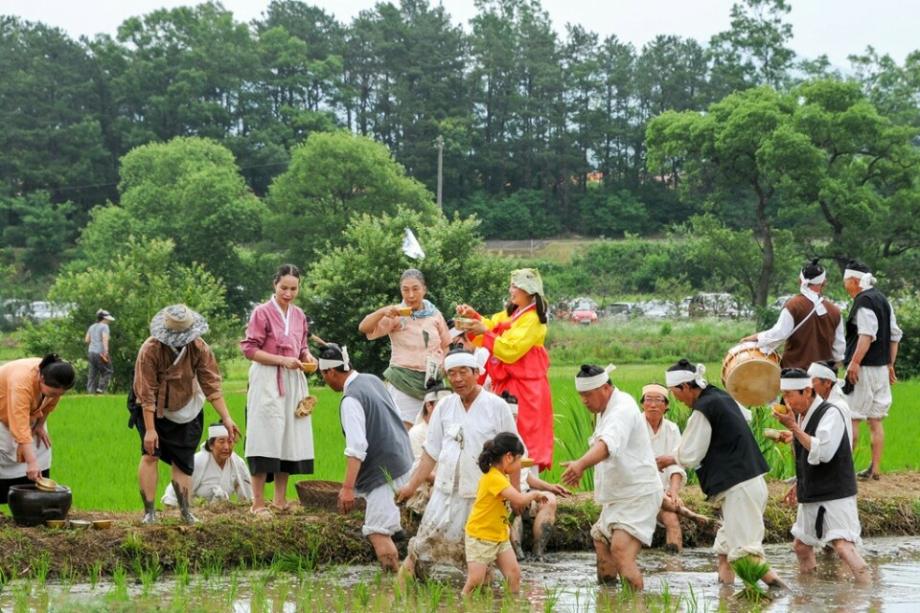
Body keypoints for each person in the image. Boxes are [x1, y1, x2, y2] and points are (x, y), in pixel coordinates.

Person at [658, 359, 785, 590]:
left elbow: (690, 454)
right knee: (725, 549)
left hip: (740, 489)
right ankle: (725, 595)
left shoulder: (704, 409)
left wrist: (667, 459)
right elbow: (743, 417)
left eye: (675, 392)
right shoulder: (720, 397)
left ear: (686, 387)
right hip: (749, 484)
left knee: (746, 554)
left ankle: (786, 595)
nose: (675, 398)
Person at [396, 348, 520, 581]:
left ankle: (487, 602)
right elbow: (429, 454)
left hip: (482, 498)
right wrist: (411, 487)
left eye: (463, 372)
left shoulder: (497, 407)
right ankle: (396, 599)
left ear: (476, 373)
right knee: (419, 551)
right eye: (451, 374)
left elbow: (514, 455)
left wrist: (516, 496)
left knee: (483, 561)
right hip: (445, 495)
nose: (457, 379)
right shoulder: (444, 407)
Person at [132, 304, 241, 525]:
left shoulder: (199, 347)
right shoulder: (150, 350)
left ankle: (185, 511)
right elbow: (147, 393)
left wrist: (227, 417)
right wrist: (151, 430)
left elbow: (211, 385)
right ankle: (149, 512)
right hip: (152, 409)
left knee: (184, 461)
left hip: (188, 405)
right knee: (150, 454)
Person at [560, 365, 663, 590]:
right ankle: (608, 599)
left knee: (620, 551)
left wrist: (581, 464)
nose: (584, 401)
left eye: (588, 395)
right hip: (619, 495)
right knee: (601, 540)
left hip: (638, 493)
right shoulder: (604, 410)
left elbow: (607, 445)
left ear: (605, 388)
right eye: (581, 396)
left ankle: (636, 605)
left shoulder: (622, 408)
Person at [319, 343, 415, 572]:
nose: (325, 381)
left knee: (376, 531)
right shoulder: (372, 380)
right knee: (385, 523)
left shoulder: (351, 399)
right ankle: (401, 545)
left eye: (324, 376)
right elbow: (398, 418)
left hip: (384, 474)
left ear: (331, 372)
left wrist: (348, 488)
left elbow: (357, 447)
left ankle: (394, 587)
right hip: (404, 462)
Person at [771, 369, 868, 582]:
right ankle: (810, 593)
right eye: (783, 395)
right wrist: (799, 482)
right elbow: (805, 451)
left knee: (843, 547)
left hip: (835, 492)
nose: (785, 400)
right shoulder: (801, 416)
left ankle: (867, 590)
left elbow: (822, 452)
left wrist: (793, 427)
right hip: (813, 490)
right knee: (801, 547)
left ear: (807, 391)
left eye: (789, 395)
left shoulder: (830, 412)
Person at [240, 264, 317, 516]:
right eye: (284, 287)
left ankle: (280, 500)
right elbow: (250, 349)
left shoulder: (299, 315)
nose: (288, 293)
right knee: (265, 434)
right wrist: (282, 360)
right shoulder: (261, 312)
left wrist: (308, 357)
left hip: (294, 378)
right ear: (275, 285)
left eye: (293, 288)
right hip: (267, 378)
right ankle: (257, 503)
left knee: (289, 435)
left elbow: (302, 346)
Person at [458, 268, 553, 470]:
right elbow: (492, 325)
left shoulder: (533, 320)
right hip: (510, 384)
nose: (511, 290)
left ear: (528, 290)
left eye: (515, 286)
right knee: (504, 432)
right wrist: (473, 316)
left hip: (527, 390)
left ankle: (528, 487)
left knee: (525, 436)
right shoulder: (515, 314)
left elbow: (511, 350)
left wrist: (485, 331)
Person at [359, 269, 452, 428]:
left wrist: (444, 367)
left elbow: (446, 346)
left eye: (415, 289)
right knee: (403, 432)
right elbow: (364, 328)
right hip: (403, 381)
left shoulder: (435, 314)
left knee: (435, 432)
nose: (410, 295)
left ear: (424, 289)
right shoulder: (396, 314)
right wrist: (383, 311)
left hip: (433, 382)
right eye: (405, 290)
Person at [462, 432, 546, 596]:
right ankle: (462, 604)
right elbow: (520, 500)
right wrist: (535, 494)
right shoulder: (494, 478)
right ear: (509, 457)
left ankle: (512, 606)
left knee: (514, 575)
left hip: (499, 535)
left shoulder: (500, 475)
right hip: (481, 536)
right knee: (475, 581)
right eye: (519, 460)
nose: (520, 465)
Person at [842, 260, 902, 481]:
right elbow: (895, 335)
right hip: (881, 370)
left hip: (864, 369)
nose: (845, 285)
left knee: (853, 418)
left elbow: (866, 335)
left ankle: (844, 471)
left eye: (846, 281)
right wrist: (890, 364)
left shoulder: (864, 302)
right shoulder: (883, 300)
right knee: (876, 420)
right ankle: (875, 469)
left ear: (855, 281)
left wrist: (854, 363)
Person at [742, 259, 844, 368]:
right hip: (823, 380)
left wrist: (758, 337)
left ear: (800, 281)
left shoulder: (793, 305)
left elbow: (780, 334)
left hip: (794, 376)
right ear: (824, 282)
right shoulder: (835, 311)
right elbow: (839, 350)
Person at [0, 355, 75, 503]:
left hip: (29, 415)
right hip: (5, 412)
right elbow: (19, 426)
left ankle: (32, 502)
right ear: (41, 378)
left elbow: (49, 404)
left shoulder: (54, 375)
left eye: (61, 393)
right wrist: (31, 463)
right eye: (54, 392)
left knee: (42, 449)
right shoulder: (21, 382)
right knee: (6, 452)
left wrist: (40, 425)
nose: (57, 396)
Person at [640, 383, 687, 553]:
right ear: (642, 404)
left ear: (666, 405)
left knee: (672, 519)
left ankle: (674, 570)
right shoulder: (634, 427)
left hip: (663, 495)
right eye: (648, 400)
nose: (652, 405)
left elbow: (677, 464)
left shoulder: (672, 429)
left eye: (658, 400)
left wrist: (673, 492)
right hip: (637, 493)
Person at [162, 422, 253, 506]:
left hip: (223, 514)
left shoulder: (237, 464)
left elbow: (248, 496)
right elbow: (172, 498)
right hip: (198, 512)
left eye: (230, 442)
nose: (226, 447)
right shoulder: (197, 462)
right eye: (221, 442)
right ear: (211, 445)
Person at [405, 384, 451, 515]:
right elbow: (418, 469)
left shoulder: (450, 430)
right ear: (429, 406)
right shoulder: (417, 433)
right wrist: (447, 483)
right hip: (425, 488)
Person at [807, 361, 858, 451]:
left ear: (827, 383)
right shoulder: (825, 402)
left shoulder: (836, 407)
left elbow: (824, 445)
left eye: (812, 381)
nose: (808, 386)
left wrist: (795, 429)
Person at [84, 309, 115, 394]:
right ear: (104, 318)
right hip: (100, 352)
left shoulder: (92, 326)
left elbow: (87, 340)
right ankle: (100, 390)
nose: (109, 321)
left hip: (91, 352)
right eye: (108, 319)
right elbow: (105, 339)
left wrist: (94, 343)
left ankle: (90, 392)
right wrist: (106, 351)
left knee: (92, 372)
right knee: (108, 371)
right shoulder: (105, 326)